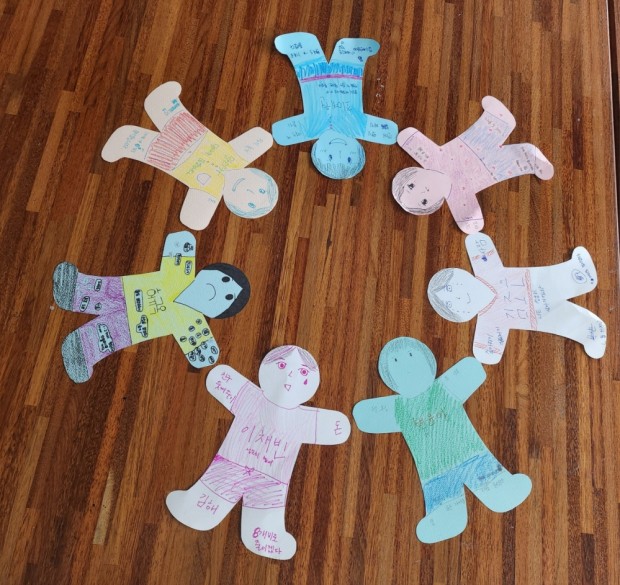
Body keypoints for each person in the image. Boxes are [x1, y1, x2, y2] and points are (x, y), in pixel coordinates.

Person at [166, 345, 351, 560]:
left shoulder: (302, 418)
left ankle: (267, 536)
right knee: (215, 493)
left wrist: (336, 424)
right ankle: (197, 509)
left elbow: (336, 428)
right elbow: (219, 380)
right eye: (281, 366)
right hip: (234, 464)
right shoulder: (252, 398)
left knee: (263, 510)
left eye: (302, 372)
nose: (290, 376)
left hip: (268, 479)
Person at [353, 337, 532, 543]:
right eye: (395, 362)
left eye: (411, 355)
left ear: (427, 360)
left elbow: (473, 370)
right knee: (445, 497)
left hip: (469, 454)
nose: (407, 367)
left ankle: (502, 488)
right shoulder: (399, 407)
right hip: (437, 472)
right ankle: (446, 517)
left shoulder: (445, 387)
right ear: (390, 377)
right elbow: (366, 415)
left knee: (486, 476)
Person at [53, 231, 250, 383]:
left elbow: (205, 356)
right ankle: (75, 289)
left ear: (217, 312)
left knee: (110, 333)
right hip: (127, 290)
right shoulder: (181, 270)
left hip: (133, 326)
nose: (219, 290)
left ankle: (82, 350)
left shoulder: (194, 325)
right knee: (106, 291)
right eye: (224, 279)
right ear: (208, 272)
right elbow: (179, 241)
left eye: (228, 297)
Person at [102, 82, 278, 230]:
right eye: (261, 190)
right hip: (193, 134)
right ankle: (161, 103)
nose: (249, 192)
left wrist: (199, 216)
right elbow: (261, 138)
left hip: (173, 158)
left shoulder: (210, 193)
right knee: (176, 120)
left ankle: (127, 141)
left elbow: (193, 220)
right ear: (259, 175)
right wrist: (262, 141)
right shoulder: (239, 157)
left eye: (251, 204)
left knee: (152, 148)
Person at [427, 233, 607, 363]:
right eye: (449, 304)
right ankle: (589, 332)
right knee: (562, 320)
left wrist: (476, 240)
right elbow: (488, 354)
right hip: (538, 316)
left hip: (537, 283)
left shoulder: (486, 269)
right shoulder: (488, 321)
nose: (458, 297)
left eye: (450, 288)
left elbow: (478, 241)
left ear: (460, 275)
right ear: (459, 315)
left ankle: (578, 273)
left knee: (557, 280)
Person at [393, 96, 554, 233]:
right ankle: (529, 156)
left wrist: (407, 139)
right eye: (424, 201)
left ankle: (501, 121)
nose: (424, 191)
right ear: (434, 205)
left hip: (472, 145)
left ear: (413, 172)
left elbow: (410, 139)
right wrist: (470, 224)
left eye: (412, 186)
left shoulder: (430, 158)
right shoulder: (457, 199)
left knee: (488, 130)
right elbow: (470, 221)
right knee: (513, 160)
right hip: (490, 169)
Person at [272, 33, 398, 179]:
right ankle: (349, 52)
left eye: (330, 157)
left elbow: (280, 132)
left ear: (316, 152)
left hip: (311, 73)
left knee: (308, 64)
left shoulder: (310, 130)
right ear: (359, 150)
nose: (339, 152)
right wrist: (390, 135)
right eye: (349, 159)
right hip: (348, 73)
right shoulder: (359, 128)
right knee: (347, 65)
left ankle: (302, 50)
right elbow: (388, 133)